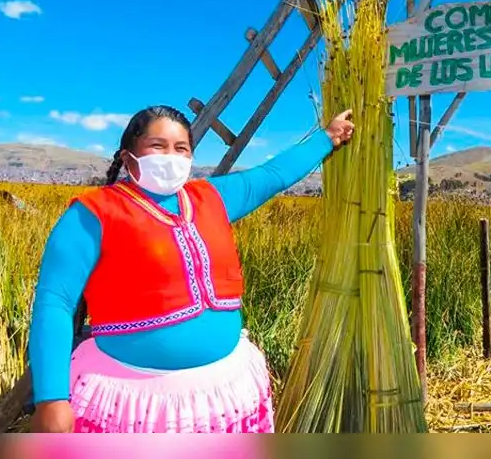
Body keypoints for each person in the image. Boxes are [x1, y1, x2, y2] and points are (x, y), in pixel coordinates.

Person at [27, 104, 354, 433]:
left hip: (224, 394)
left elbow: (273, 175)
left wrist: (327, 137)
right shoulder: (93, 213)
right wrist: (51, 399)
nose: (171, 156)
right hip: (131, 401)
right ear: (128, 158)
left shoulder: (211, 198)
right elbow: (55, 302)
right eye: (158, 146)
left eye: (181, 148)